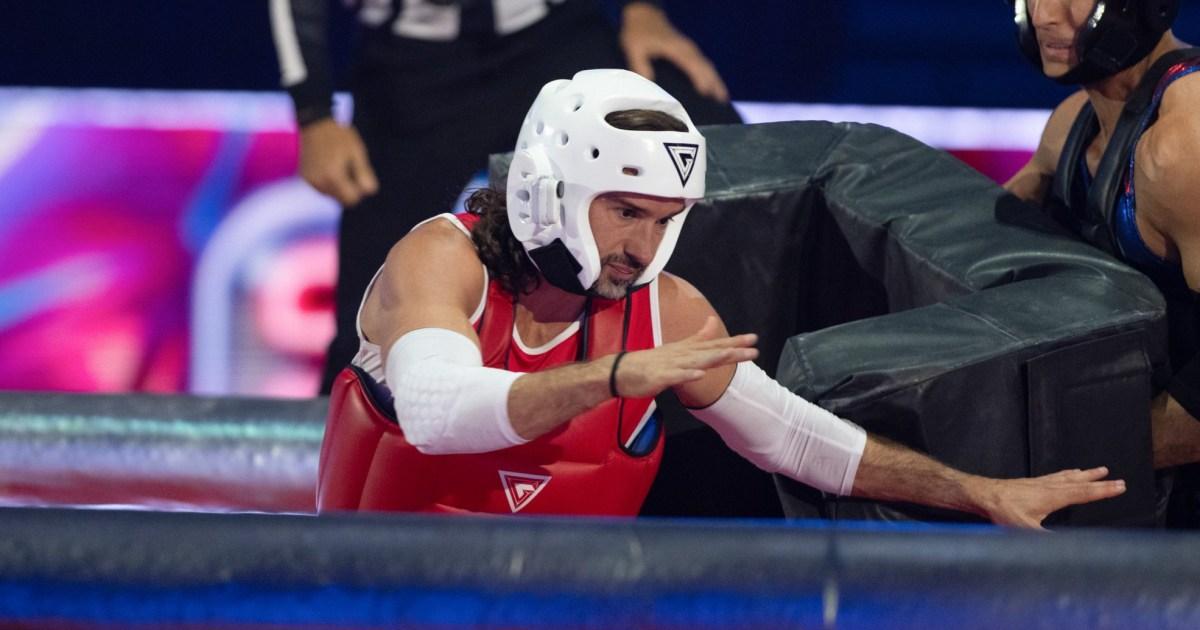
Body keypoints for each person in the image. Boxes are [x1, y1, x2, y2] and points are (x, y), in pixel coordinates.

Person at [315, 69, 1125, 528]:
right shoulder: (442, 260)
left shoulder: (666, 313)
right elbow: (434, 410)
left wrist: (982, 492)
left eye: (664, 220)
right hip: (372, 608)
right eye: (624, 211)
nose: (641, 247)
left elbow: (802, 442)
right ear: (545, 191)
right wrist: (614, 377)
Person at [268, 0, 740, 393]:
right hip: (410, 71)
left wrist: (643, 9)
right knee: (365, 317)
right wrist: (313, 113)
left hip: (554, 38)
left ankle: (713, 386)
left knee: (723, 149)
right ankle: (337, 464)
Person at [1002, 0, 1200, 523]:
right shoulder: (1071, 126)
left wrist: (1076, 455)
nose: (1044, 16)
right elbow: (976, 248)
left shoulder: (1186, 143)